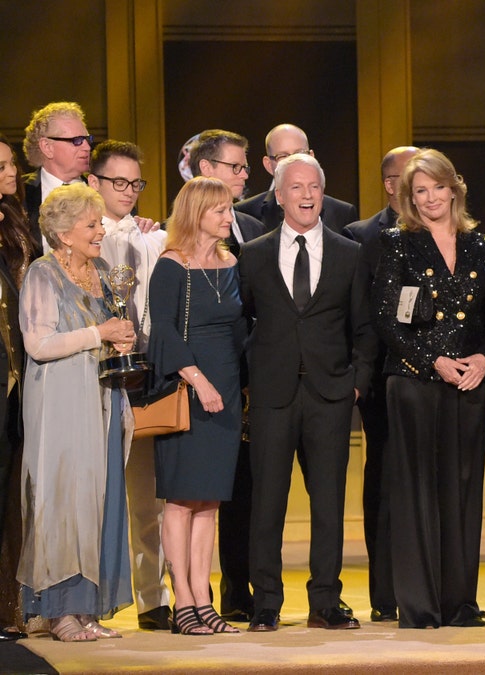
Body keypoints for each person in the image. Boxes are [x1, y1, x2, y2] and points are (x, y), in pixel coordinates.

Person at [372, 149, 485, 628]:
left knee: (463, 491)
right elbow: (389, 320)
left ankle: (459, 604)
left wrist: (484, 359)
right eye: (420, 191)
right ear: (410, 198)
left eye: (437, 187)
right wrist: (435, 359)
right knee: (417, 492)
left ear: (455, 188)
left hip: (471, 384)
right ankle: (420, 606)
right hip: (414, 381)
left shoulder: (482, 244)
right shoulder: (398, 243)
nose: (430, 198)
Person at [240, 153, 376, 632]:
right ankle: (266, 604)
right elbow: (244, 322)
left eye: (313, 187)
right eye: (295, 187)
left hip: (330, 395)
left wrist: (356, 383)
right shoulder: (253, 253)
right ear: (278, 196)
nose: (305, 195)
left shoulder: (350, 252)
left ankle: (325, 602)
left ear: (323, 193)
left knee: (328, 503)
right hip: (273, 394)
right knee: (267, 503)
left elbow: (365, 327)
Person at [17, 183, 137, 641]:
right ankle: (59, 610)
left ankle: (88, 610)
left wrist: (122, 338)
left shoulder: (104, 270)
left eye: (99, 222)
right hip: (61, 406)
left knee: (98, 499)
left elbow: (110, 329)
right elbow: (39, 345)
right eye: (91, 224)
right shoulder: (42, 275)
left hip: (102, 399)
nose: (101, 230)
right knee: (63, 499)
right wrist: (97, 333)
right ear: (65, 234)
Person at [146, 177, 246, 635]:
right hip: (190, 388)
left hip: (226, 390)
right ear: (195, 214)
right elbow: (162, 332)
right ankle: (181, 599)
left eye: (229, 209)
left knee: (209, 501)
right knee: (182, 499)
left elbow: (240, 330)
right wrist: (199, 380)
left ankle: (204, 598)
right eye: (220, 211)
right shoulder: (172, 265)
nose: (229, 218)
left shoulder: (230, 262)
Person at [89, 140, 173, 631]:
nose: (128, 192)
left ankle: (152, 600)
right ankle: (84, 601)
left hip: (141, 379)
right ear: (94, 183)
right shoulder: (75, 239)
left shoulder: (152, 239)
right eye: (117, 182)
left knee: (148, 501)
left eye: (135, 183)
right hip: (89, 381)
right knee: (92, 499)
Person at [186, 128, 264, 621]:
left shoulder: (253, 229)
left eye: (244, 167)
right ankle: (192, 597)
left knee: (244, 489)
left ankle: (239, 590)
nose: (243, 175)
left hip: (250, 379)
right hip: (202, 381)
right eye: (235, 167)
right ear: (206, 169)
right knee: (196, 493)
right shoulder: (172, 241)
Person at [346, 145, 418, 623]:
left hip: (437, 378)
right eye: (411, 177)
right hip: (381, 380)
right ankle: (385, 593)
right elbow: (357, 316)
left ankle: (428, 585)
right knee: (385, 481)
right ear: (390, 184)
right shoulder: (357, 237)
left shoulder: (445, 230)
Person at [0, 134, 35, 642]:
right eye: (4, 165)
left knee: (13, 497)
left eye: (10, 163)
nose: (12, 171)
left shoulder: (15, 222)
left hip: (18, 380)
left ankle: (9, 608)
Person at [235, 124, 358, 234]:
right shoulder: (245, 213)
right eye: (283, 156)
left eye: (299, 153)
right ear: (268, 165)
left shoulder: (343, 213)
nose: (293, 163)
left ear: (312, 157)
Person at [22, 102, 93, 255]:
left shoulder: (104, 188)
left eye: (88, 139)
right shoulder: (18, 194)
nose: (87, 147)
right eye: (77, 140)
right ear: (47, 147)